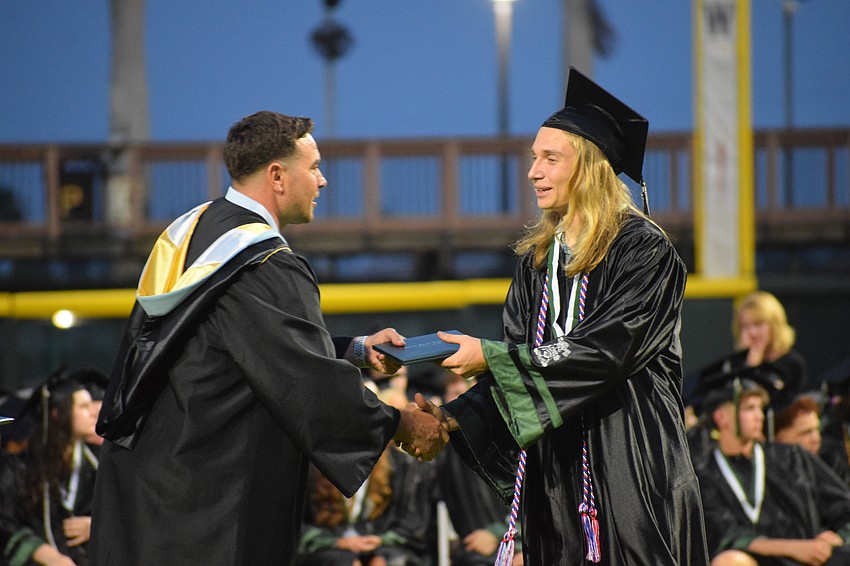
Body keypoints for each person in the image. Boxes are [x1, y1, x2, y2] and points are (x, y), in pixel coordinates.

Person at [89, 111, 446, 566]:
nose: (323, 181)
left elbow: (244, 349)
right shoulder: (265, 261)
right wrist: (399, 423)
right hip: (205, 502)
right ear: (277, 176)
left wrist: (355, 350)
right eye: (314, 167)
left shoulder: (194, 234)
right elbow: (304, 381)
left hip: (154, 479)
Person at [415, 68, 709, 564]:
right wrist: (449, 422)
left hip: (632, 468)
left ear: (590, 168)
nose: (533, 172)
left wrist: (490, 355)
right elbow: (519, 367)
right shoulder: (537, 261)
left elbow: (606, 351)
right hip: (556, 481)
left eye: (550, 159)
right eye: (534, 158)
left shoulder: (644, 251)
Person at [696, 376, 850, 565]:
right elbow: (727, 535)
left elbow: (843, 506)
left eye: (760, 408)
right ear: (721, 417)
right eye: (749, 408)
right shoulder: (706, 476)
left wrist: (839, 536)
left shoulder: (791, 457)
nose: (759, 416)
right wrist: (794, 548)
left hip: (815, 556)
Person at [2, 371, 98, 566]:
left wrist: (97, 525)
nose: (93, 412)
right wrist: (42, 552)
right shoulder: (23, 467)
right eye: (83, 407)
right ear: (57, 413)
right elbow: (5, 520)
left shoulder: (99, 465)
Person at [436, 374, 520, 566]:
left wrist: (500, 534)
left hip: (517, 548)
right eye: (452, 395)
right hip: (472, 554)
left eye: (462, 394)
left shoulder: (507, 439)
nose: (457, 403)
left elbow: (536, 498)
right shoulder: (445, 455)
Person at [775, 395, 850, 486]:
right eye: (806, 433)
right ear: (779, 437)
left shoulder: (831, 463)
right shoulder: (771, 473)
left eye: (817, 430)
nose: (816, 439)